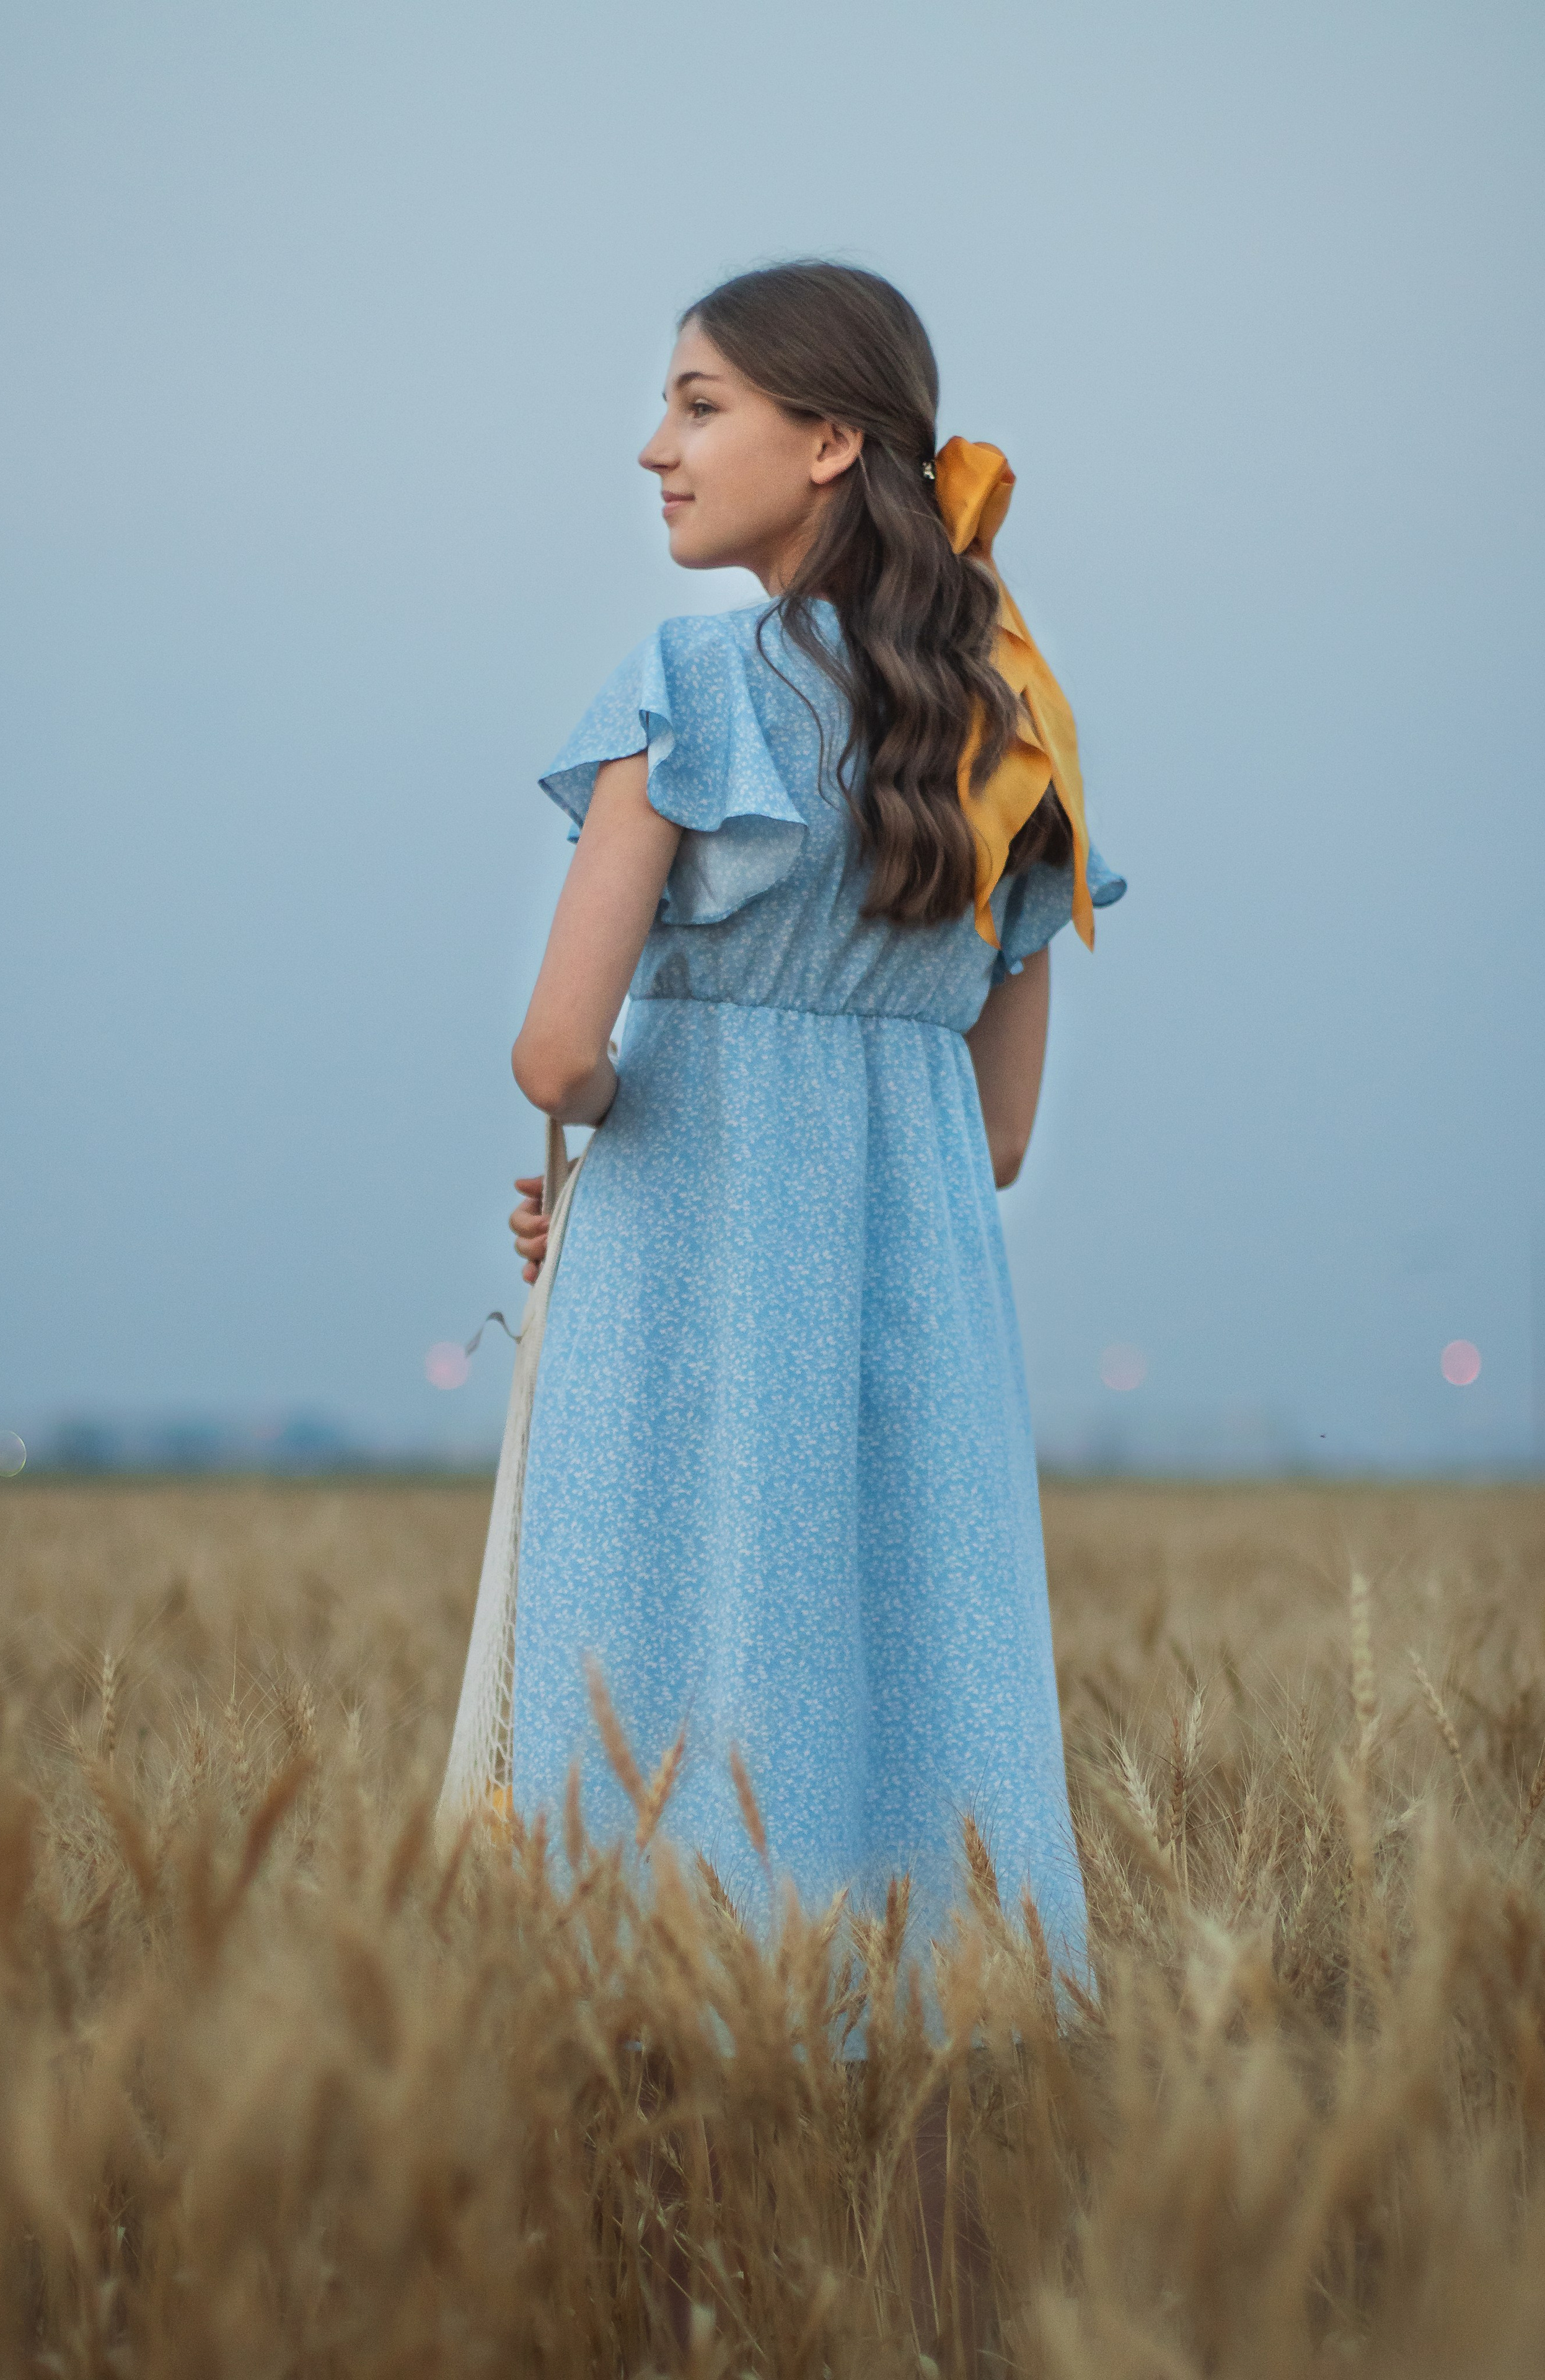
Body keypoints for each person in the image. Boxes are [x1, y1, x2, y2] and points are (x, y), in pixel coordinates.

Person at [451, 260, 1124, 1980]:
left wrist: (602, 1144)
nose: (656, 448)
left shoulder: (689, 681)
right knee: (912, 1714)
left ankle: (677, 2166)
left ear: (828, 439)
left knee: (656, 1719)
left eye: (699, 403)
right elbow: (1000, 1143)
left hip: (680, 1286)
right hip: (918, 1318)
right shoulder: (1017, 727)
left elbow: (553, 1053)